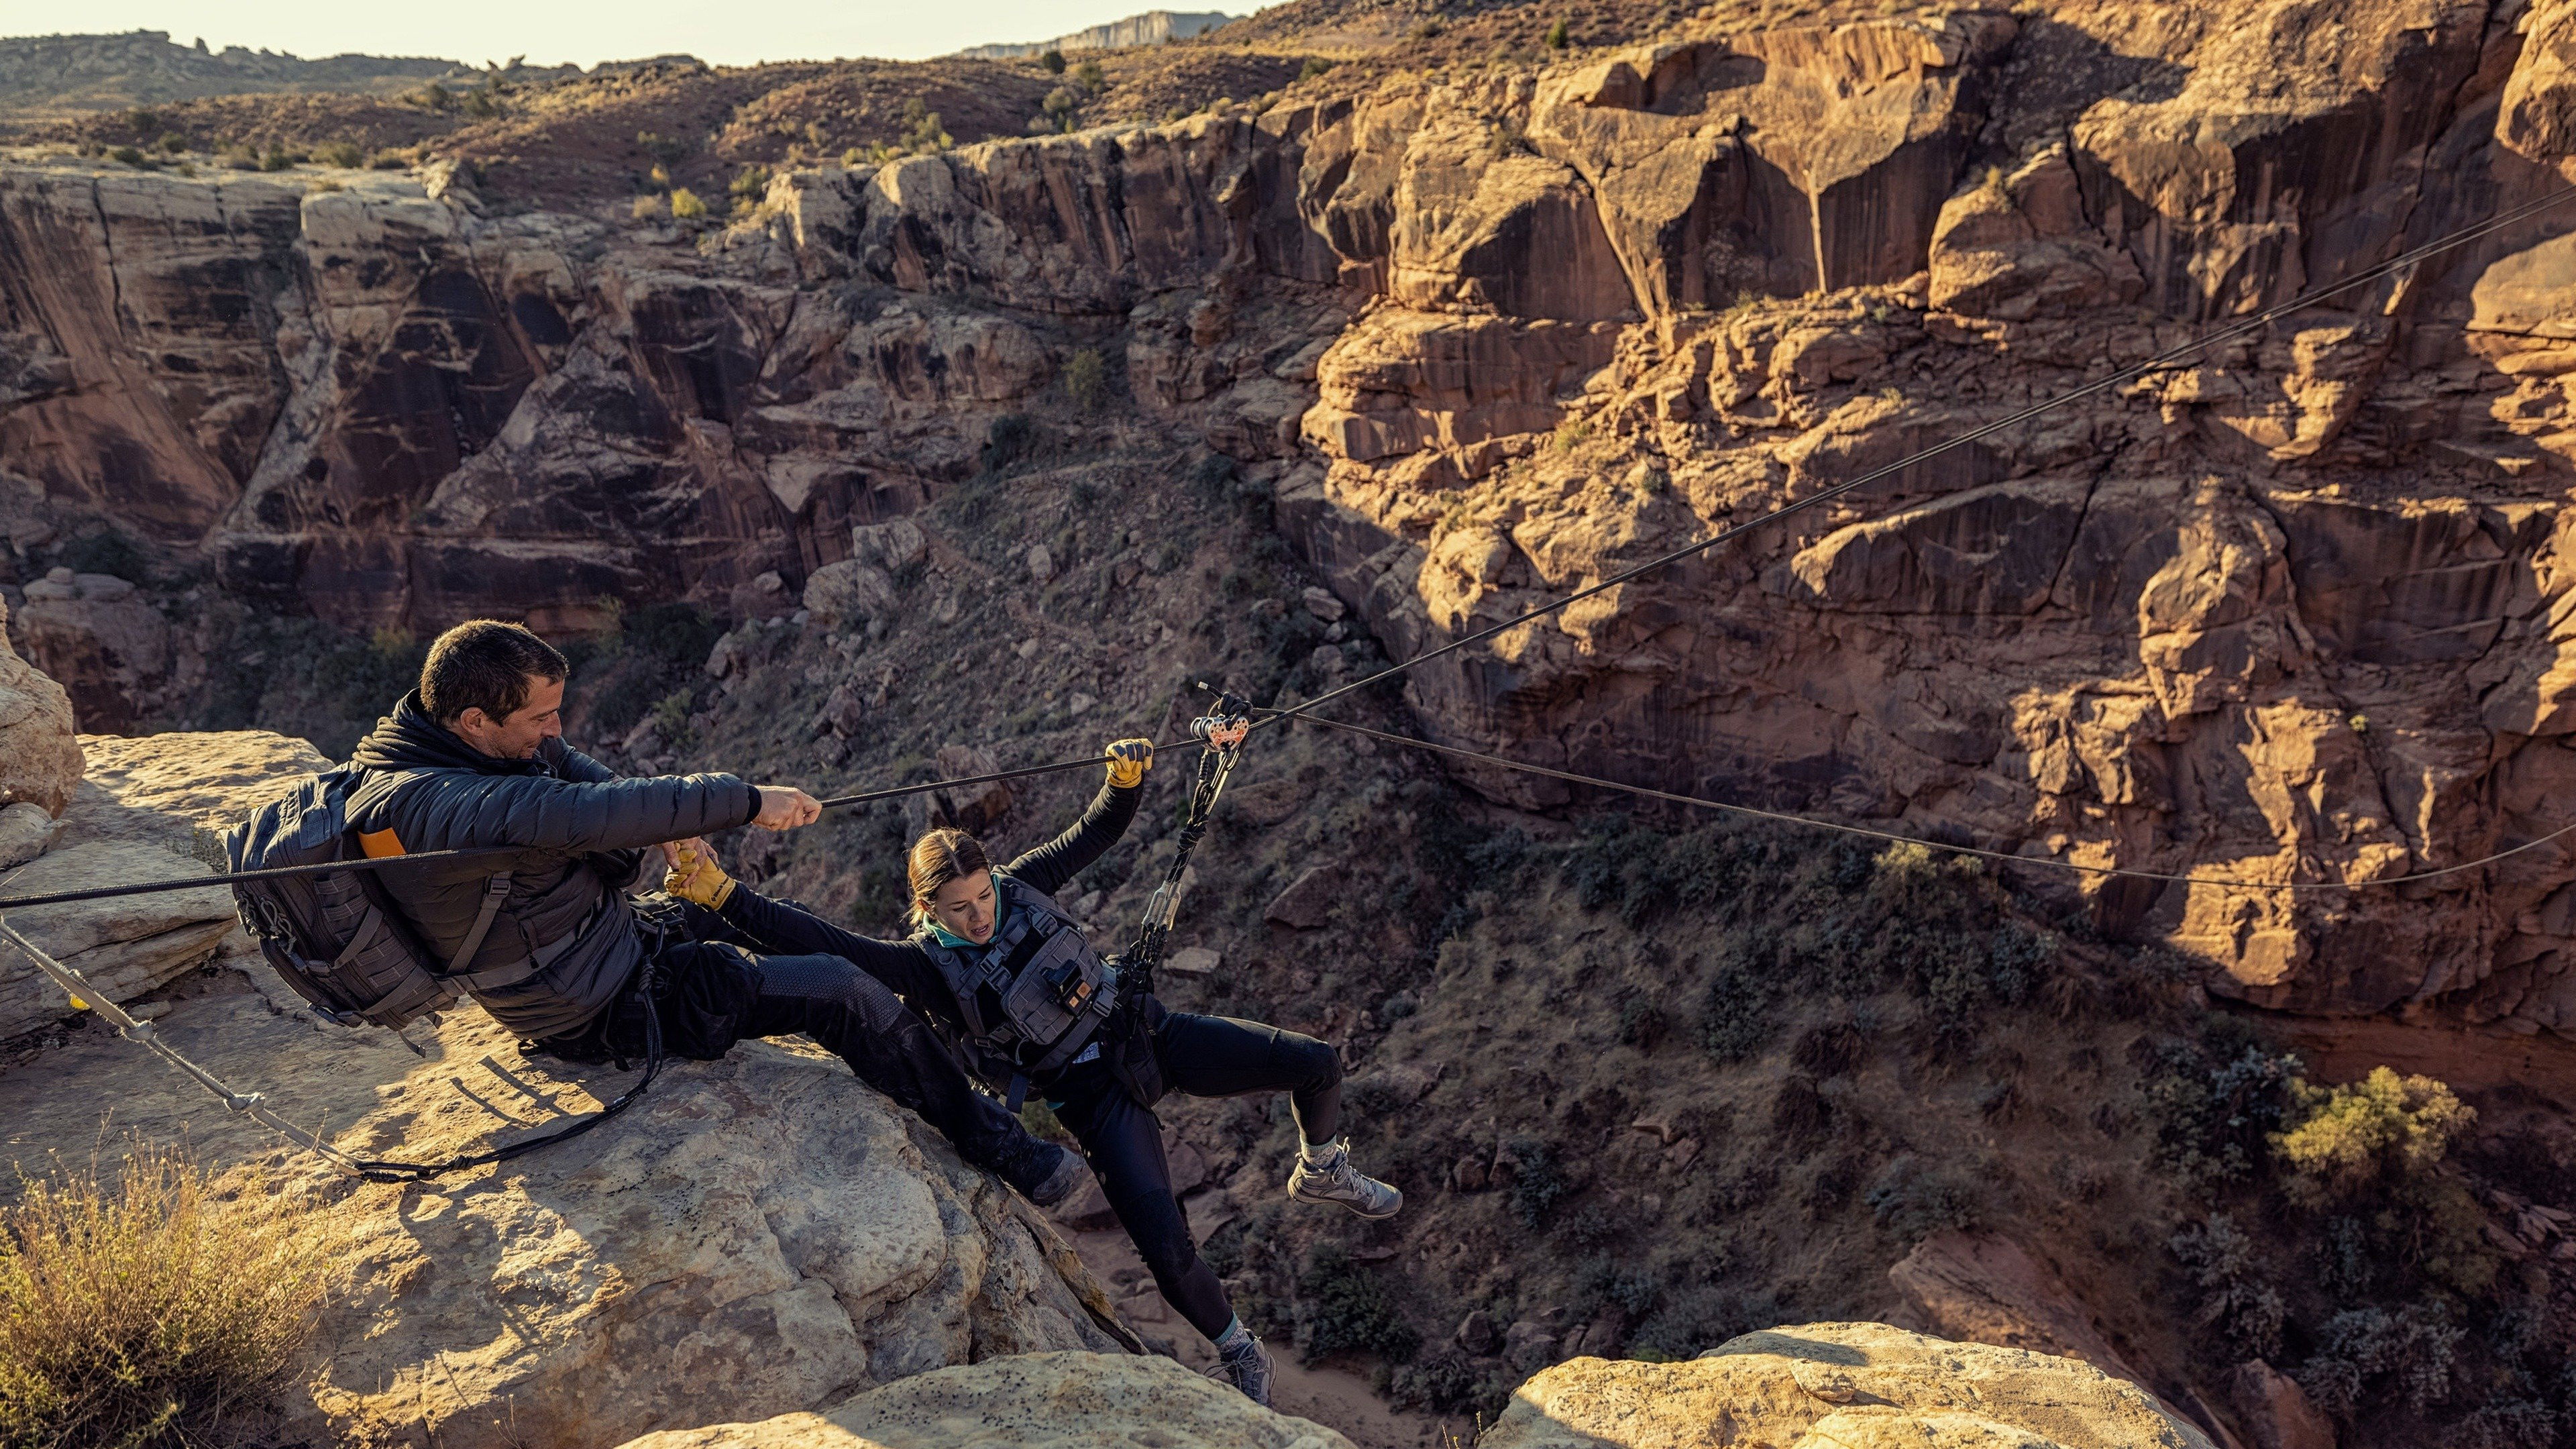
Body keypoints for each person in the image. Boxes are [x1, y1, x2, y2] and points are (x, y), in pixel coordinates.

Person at [660, 738, 1401, 1407]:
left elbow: (1097, 832)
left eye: (984, 897)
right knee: (1167, 1248)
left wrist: (1125, 780)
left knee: (1316, 1063)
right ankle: (1242, 1353)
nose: (980, 916)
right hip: (1092, 1097)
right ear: (927, 909)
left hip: (1146, 1033)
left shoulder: (1024, 884)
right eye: (959, 909)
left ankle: (1323, 1167)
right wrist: (723, 896)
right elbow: (819, 939)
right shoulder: (924, 967)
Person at [345, 619, 1081, 1207]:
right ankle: (999, 1146)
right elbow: (587, 810)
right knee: (836, 988)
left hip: (592, 948)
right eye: (539, 716)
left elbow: (574, 770)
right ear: (475, 719)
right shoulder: (444, 807)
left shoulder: (442, 749)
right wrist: (749, 802)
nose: (554, 728)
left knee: (755, 914)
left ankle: (928, 1037)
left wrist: (668, 829)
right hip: (596, 1005)